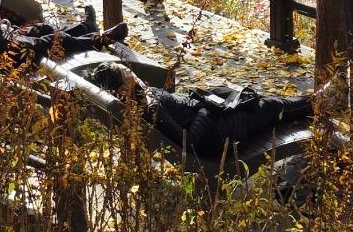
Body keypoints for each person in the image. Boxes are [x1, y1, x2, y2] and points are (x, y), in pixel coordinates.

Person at [78, 60, 312, 159]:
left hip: (215, 118)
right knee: (268, 106)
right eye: (129, 75)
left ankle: (311, 102)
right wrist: (204, 112)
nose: (135, 75)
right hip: (221, 132)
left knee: (257, 100)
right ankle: (316, 102)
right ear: (124, 86)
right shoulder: (152, 109)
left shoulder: (140, 103)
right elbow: (188, 142)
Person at [0, 3, 129, 66]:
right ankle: (102, 39)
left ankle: (87, 27)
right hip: (15, 53)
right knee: (57, 39)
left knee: (45, 28)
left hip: (11, 40)